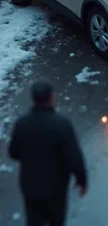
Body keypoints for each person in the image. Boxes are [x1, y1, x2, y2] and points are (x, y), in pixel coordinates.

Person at [8, 80, 87, 226]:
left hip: (30, 187)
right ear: (51, 97)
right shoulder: (61, 124)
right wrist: (81, 180)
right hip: (55, 189)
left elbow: (13, 153)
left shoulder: (21, 124)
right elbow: (73, 157)